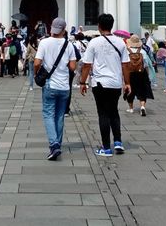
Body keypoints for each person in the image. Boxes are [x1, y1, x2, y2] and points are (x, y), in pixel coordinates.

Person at [79, 13, 131, 157]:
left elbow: (86, 65)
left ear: (99, 26)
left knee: (103, 114)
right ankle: (118, 142)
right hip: (115, 83)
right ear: (111, 25)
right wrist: (127, 83)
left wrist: (83, 82)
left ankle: (106, 148)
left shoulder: (94, 43)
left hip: (100, 83)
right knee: (114, 112)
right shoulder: (121, 42)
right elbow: (125, 65)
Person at [34, 18, 77, 161]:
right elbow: (72, 67)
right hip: (64, 86)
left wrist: (36, 73)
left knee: (48, 114)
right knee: (59, 116)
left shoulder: (44, 43)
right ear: (64, 30)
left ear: (52, 28)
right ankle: (57, 143)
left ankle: (54, 144)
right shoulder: (69, 44)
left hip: (50, 84)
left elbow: (37, 62)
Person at [123, 35, 153, 116]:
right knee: (142, 90)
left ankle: (131, 108)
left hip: (130, 73)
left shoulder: (127, 51)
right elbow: (146, 64)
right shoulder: (142, 51)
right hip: (141, 73)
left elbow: (124, 64)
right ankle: (142, 107)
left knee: (130, 90)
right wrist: (147, 74)